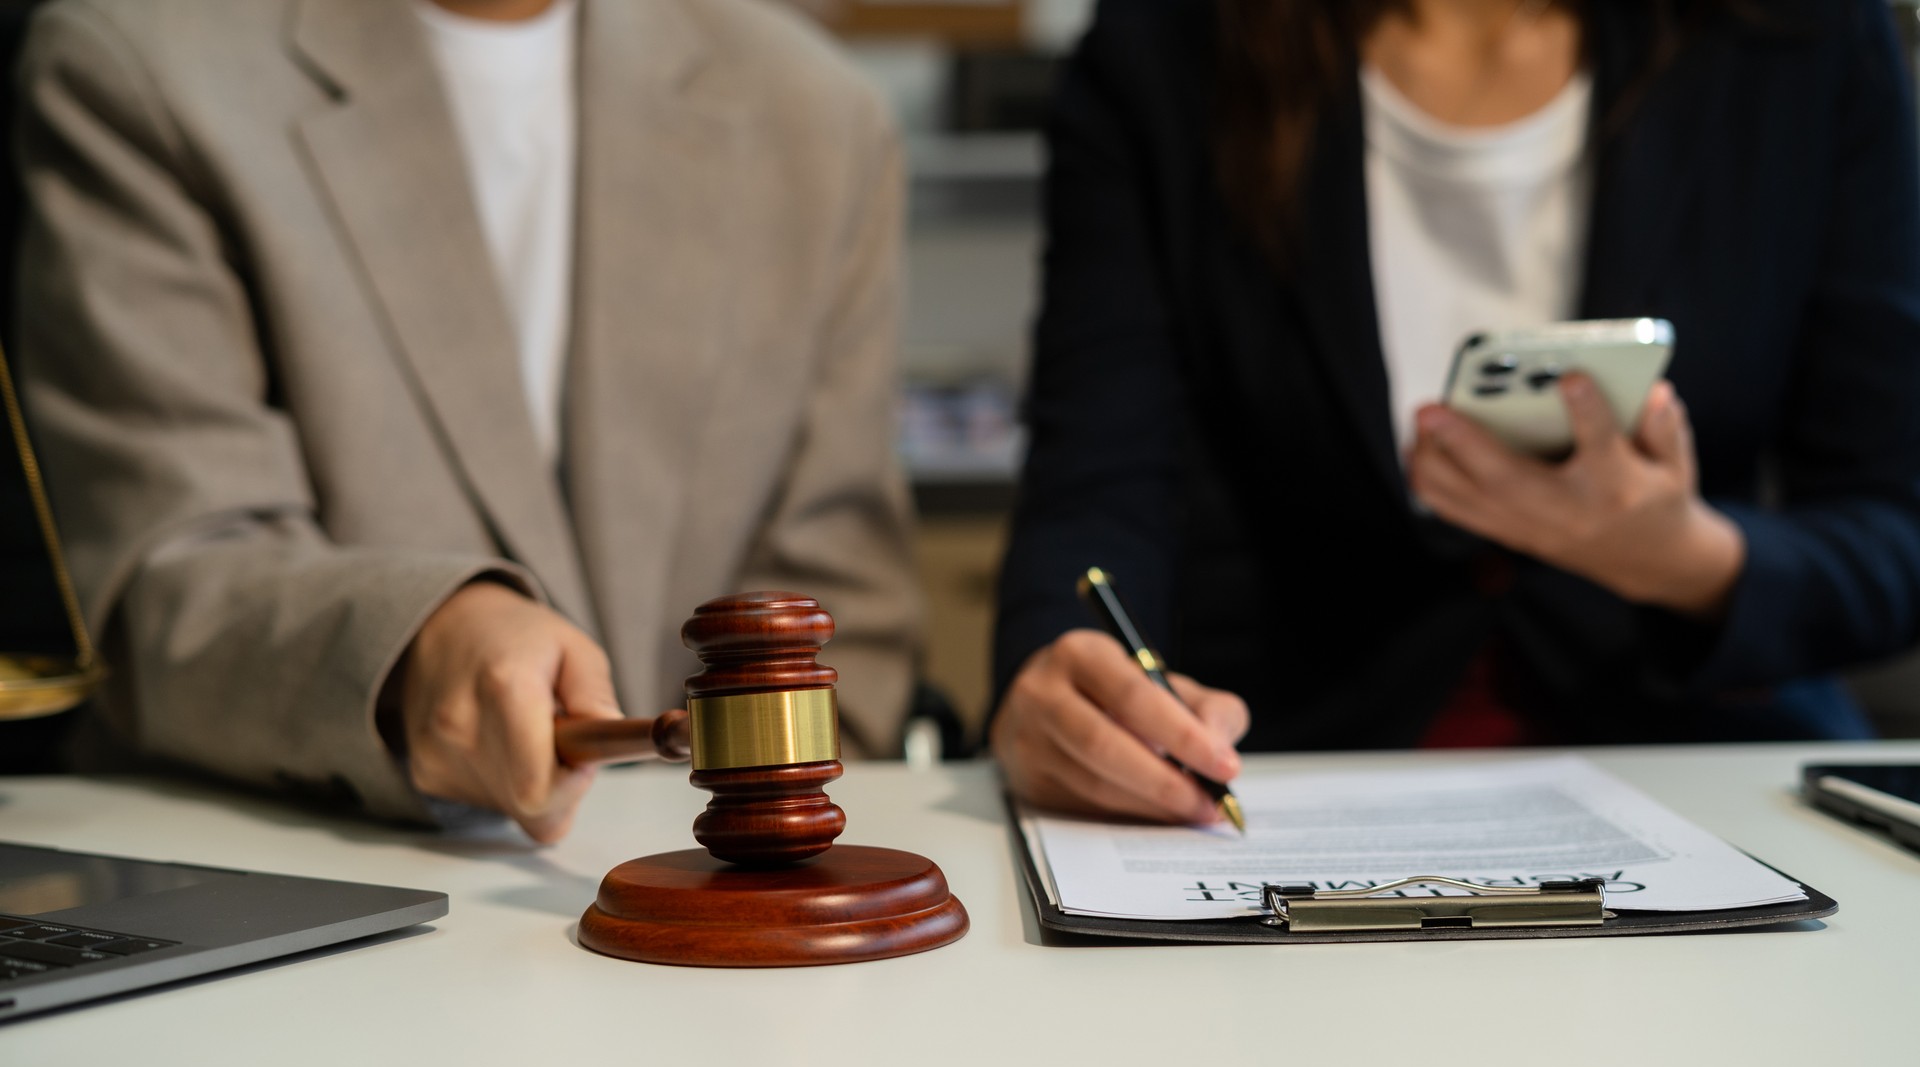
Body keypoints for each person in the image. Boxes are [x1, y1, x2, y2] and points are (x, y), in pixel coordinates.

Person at [992, 0, 1920, 823]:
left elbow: (1894, 526)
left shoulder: (1803, 34)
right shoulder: (1168, 47)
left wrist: (1693, 564)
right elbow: (1097, 487)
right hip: (1284, 785)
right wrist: (1062, 673)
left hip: (1702, 780)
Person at [15, 0, 920, 840]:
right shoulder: (144, 66)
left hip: (719, 926)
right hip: (325, 883)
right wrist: (414, 643)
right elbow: (169, 575)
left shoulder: (818, 114)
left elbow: (843, 587)